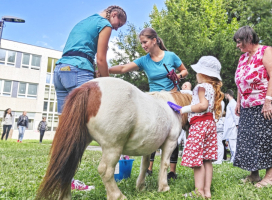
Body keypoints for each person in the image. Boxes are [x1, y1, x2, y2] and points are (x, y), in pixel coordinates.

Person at [53, 5, 127, 191]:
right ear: (114, 15)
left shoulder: (85, 21)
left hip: (60, 72)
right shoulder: (104, 24)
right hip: (79, 70)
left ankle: (62, 180)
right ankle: (66, 179)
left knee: (65, 129)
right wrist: (108, 85)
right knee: (81, 130)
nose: (117, 28)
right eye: (119, 24)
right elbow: (101, 59)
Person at [108, 27, 189, 180]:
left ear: (154, 40)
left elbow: (184, 71)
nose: (143, 45)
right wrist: (104, 69)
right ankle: (149, 168)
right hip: (154, 99)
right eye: (141, 43)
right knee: (151, 130)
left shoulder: (171, 56)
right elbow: (124, 68)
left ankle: (171, 171)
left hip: (172, 98)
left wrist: (178, 76)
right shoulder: (144, 60)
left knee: (173, 135)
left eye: (145, 42)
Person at [233, 26, 272, 188]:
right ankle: (254, 175)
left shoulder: (266, 51)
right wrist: (238, 102)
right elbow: (240, 82)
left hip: (269, 102)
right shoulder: (243, 58)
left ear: (249, 39)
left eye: (239, 42)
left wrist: (268, 101)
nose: (237, 45)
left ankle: (270, 177)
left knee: (266, 137)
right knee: (249, 139)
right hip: (248, 105)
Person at [180, 56, 224, 199]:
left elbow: (203, 106)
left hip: (199, 124)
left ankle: (198, 191)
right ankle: (207, 191)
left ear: (204, 74)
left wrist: (185, 109)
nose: (196, 74)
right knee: (207, 159)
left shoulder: (201, 87)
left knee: (197, 159)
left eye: (198, 71)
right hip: (210, 125)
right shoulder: (212, 88)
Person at [223, 89, 239, 163]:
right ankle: (233, 158)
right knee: (230, 143)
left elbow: (235, 115)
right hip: (230, 126)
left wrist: (237, 124)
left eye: (226, 95)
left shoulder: (233, 103)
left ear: (228, 95)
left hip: (232, 126)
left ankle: (234, 159)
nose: (225, 96)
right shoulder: (231, 103)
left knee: (233, 143)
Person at [178, 82, 193, 150]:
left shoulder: (181, 93)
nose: (181, 88)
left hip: (181, 117)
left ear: (185, 86)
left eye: (182, 86)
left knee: (178, 137)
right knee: (189, 138)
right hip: (191, 119)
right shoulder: (194, 95)